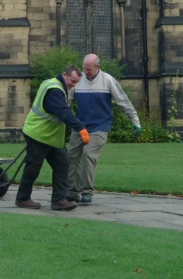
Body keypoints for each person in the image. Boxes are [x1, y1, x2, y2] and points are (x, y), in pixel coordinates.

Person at [67, 53, 142, 205]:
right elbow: (67, 101)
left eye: (88, 69)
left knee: (88, 155)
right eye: (84, 68)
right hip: (80, 126)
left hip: (100, 126)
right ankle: (72, 193)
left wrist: (135, 121)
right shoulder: (79, 81)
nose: (86, 72)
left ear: (98, 67)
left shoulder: (108, 80)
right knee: (72, 156)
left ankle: (87, 191)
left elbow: (123, 101)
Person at [15, 65, 90, 211]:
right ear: (64, 75)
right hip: (39, 134)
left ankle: (59, 200)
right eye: (72, 81)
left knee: (62, 164)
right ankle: (22, 198)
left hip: (50, 137)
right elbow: (62, 111)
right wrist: (80, 127)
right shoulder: (55, 90)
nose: (73, 86)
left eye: (76, 83)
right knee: (33, 166)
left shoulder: (52, 84)